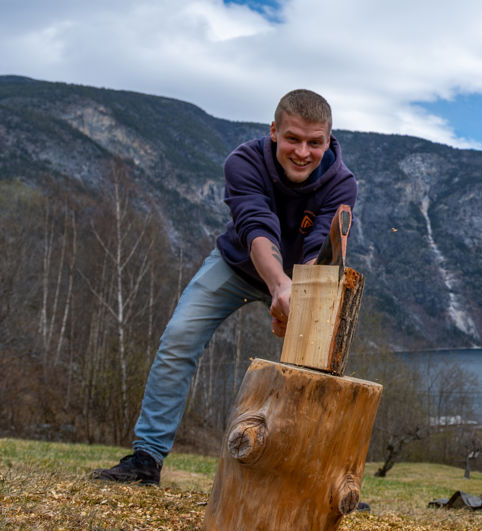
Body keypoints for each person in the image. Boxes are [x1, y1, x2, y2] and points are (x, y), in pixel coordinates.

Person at [92, 89, 357, 485]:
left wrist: (294, 297)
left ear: (328, 140)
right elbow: (256, 226)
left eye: (314, 142)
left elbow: (321, 252)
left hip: (304, 281)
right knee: (178, 339)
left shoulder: (342, 185)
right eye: (293, 139)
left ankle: (324, 480)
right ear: (273, 132)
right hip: (236, 265)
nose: (303, 152)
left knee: (322, 370)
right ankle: (146, 459)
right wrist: (278, 284)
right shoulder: (244, 161)